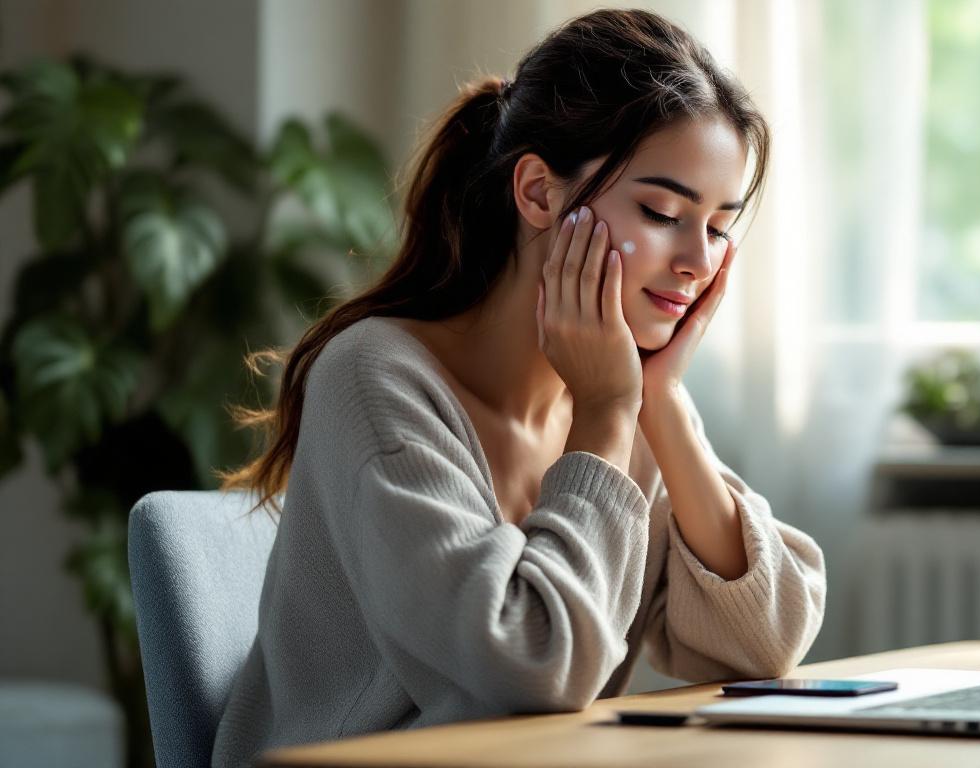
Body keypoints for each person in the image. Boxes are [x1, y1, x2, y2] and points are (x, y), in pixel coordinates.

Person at [212, 8, 826, 767]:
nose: (698, 260)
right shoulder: (375, 378)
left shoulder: (624, 399)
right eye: (664, 212)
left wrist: (661, 406)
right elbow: (528, 669)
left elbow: (766, 642)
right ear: (537, 193)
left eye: (719, 225)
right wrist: (608, 415)